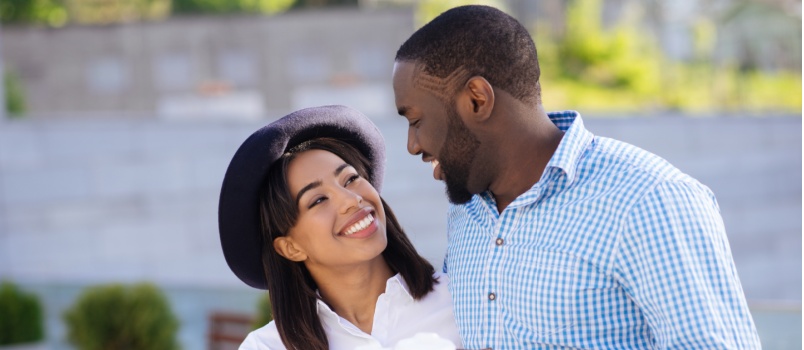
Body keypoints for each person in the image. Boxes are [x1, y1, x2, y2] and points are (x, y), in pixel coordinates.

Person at [392, 5, 761, 349]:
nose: (412, 145)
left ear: (476, 99)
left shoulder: (650, 199)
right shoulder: (467, 211)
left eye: (416, 120)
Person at [218, 105, 462, 350]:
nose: (350, 200)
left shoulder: (462, 302)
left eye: (351, 179)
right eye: (318, 200)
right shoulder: (267, 347)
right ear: (290, 247)